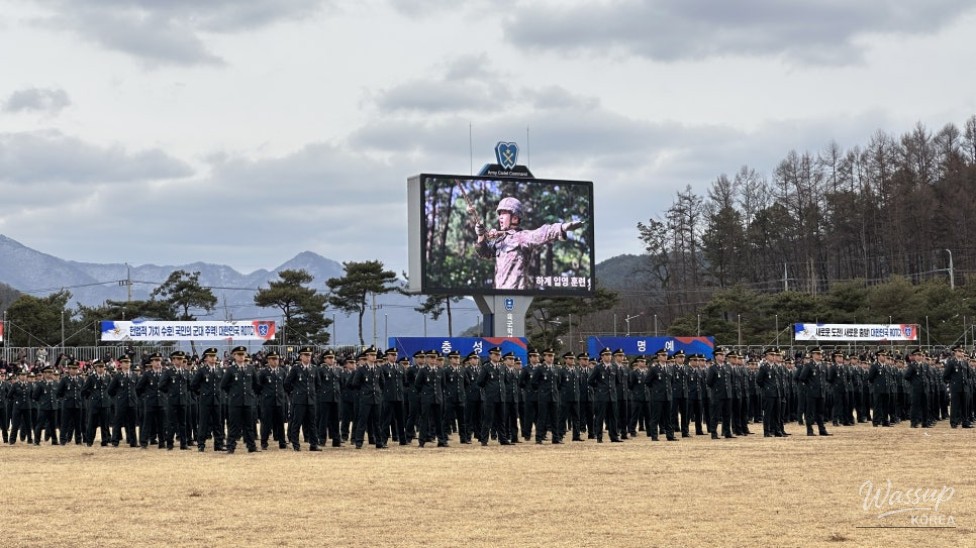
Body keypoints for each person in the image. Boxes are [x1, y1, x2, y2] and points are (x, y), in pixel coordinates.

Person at [470, 197, 584, 290]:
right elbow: (484, 252)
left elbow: (542, 232)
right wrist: (480, 235)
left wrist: (562, 227)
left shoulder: (522, 237)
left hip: (516, 295)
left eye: (504, 213)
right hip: (499, 295)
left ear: (515, 218)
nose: (500, 217)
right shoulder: (501, 241)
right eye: (499, 214)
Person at [220, 346, 259, 453]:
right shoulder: (231, 370)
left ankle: (251, 446)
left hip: (248, 401)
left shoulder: (250, 369)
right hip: (235, 402)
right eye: (239, 354)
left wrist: (251, 395)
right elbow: (223, 385)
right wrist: (233, 393)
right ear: (234, 356)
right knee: (233, 425)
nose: (241, 357)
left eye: (243, 354)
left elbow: (256, 384)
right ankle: (231, 446)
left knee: (249, 425)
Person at [284, 346, 319, 451]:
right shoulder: (296, 368)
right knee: (297, 422)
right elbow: (287, 383)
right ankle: (296, 444)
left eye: (309, 355)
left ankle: (313, 444)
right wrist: (294, 393)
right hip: (299, 400)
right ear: (301, 356)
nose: (308, 357)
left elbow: (317, 384)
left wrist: (313, 393)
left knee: (312, 423)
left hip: (311, 400)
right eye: (306, 355)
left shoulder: (314, 368)